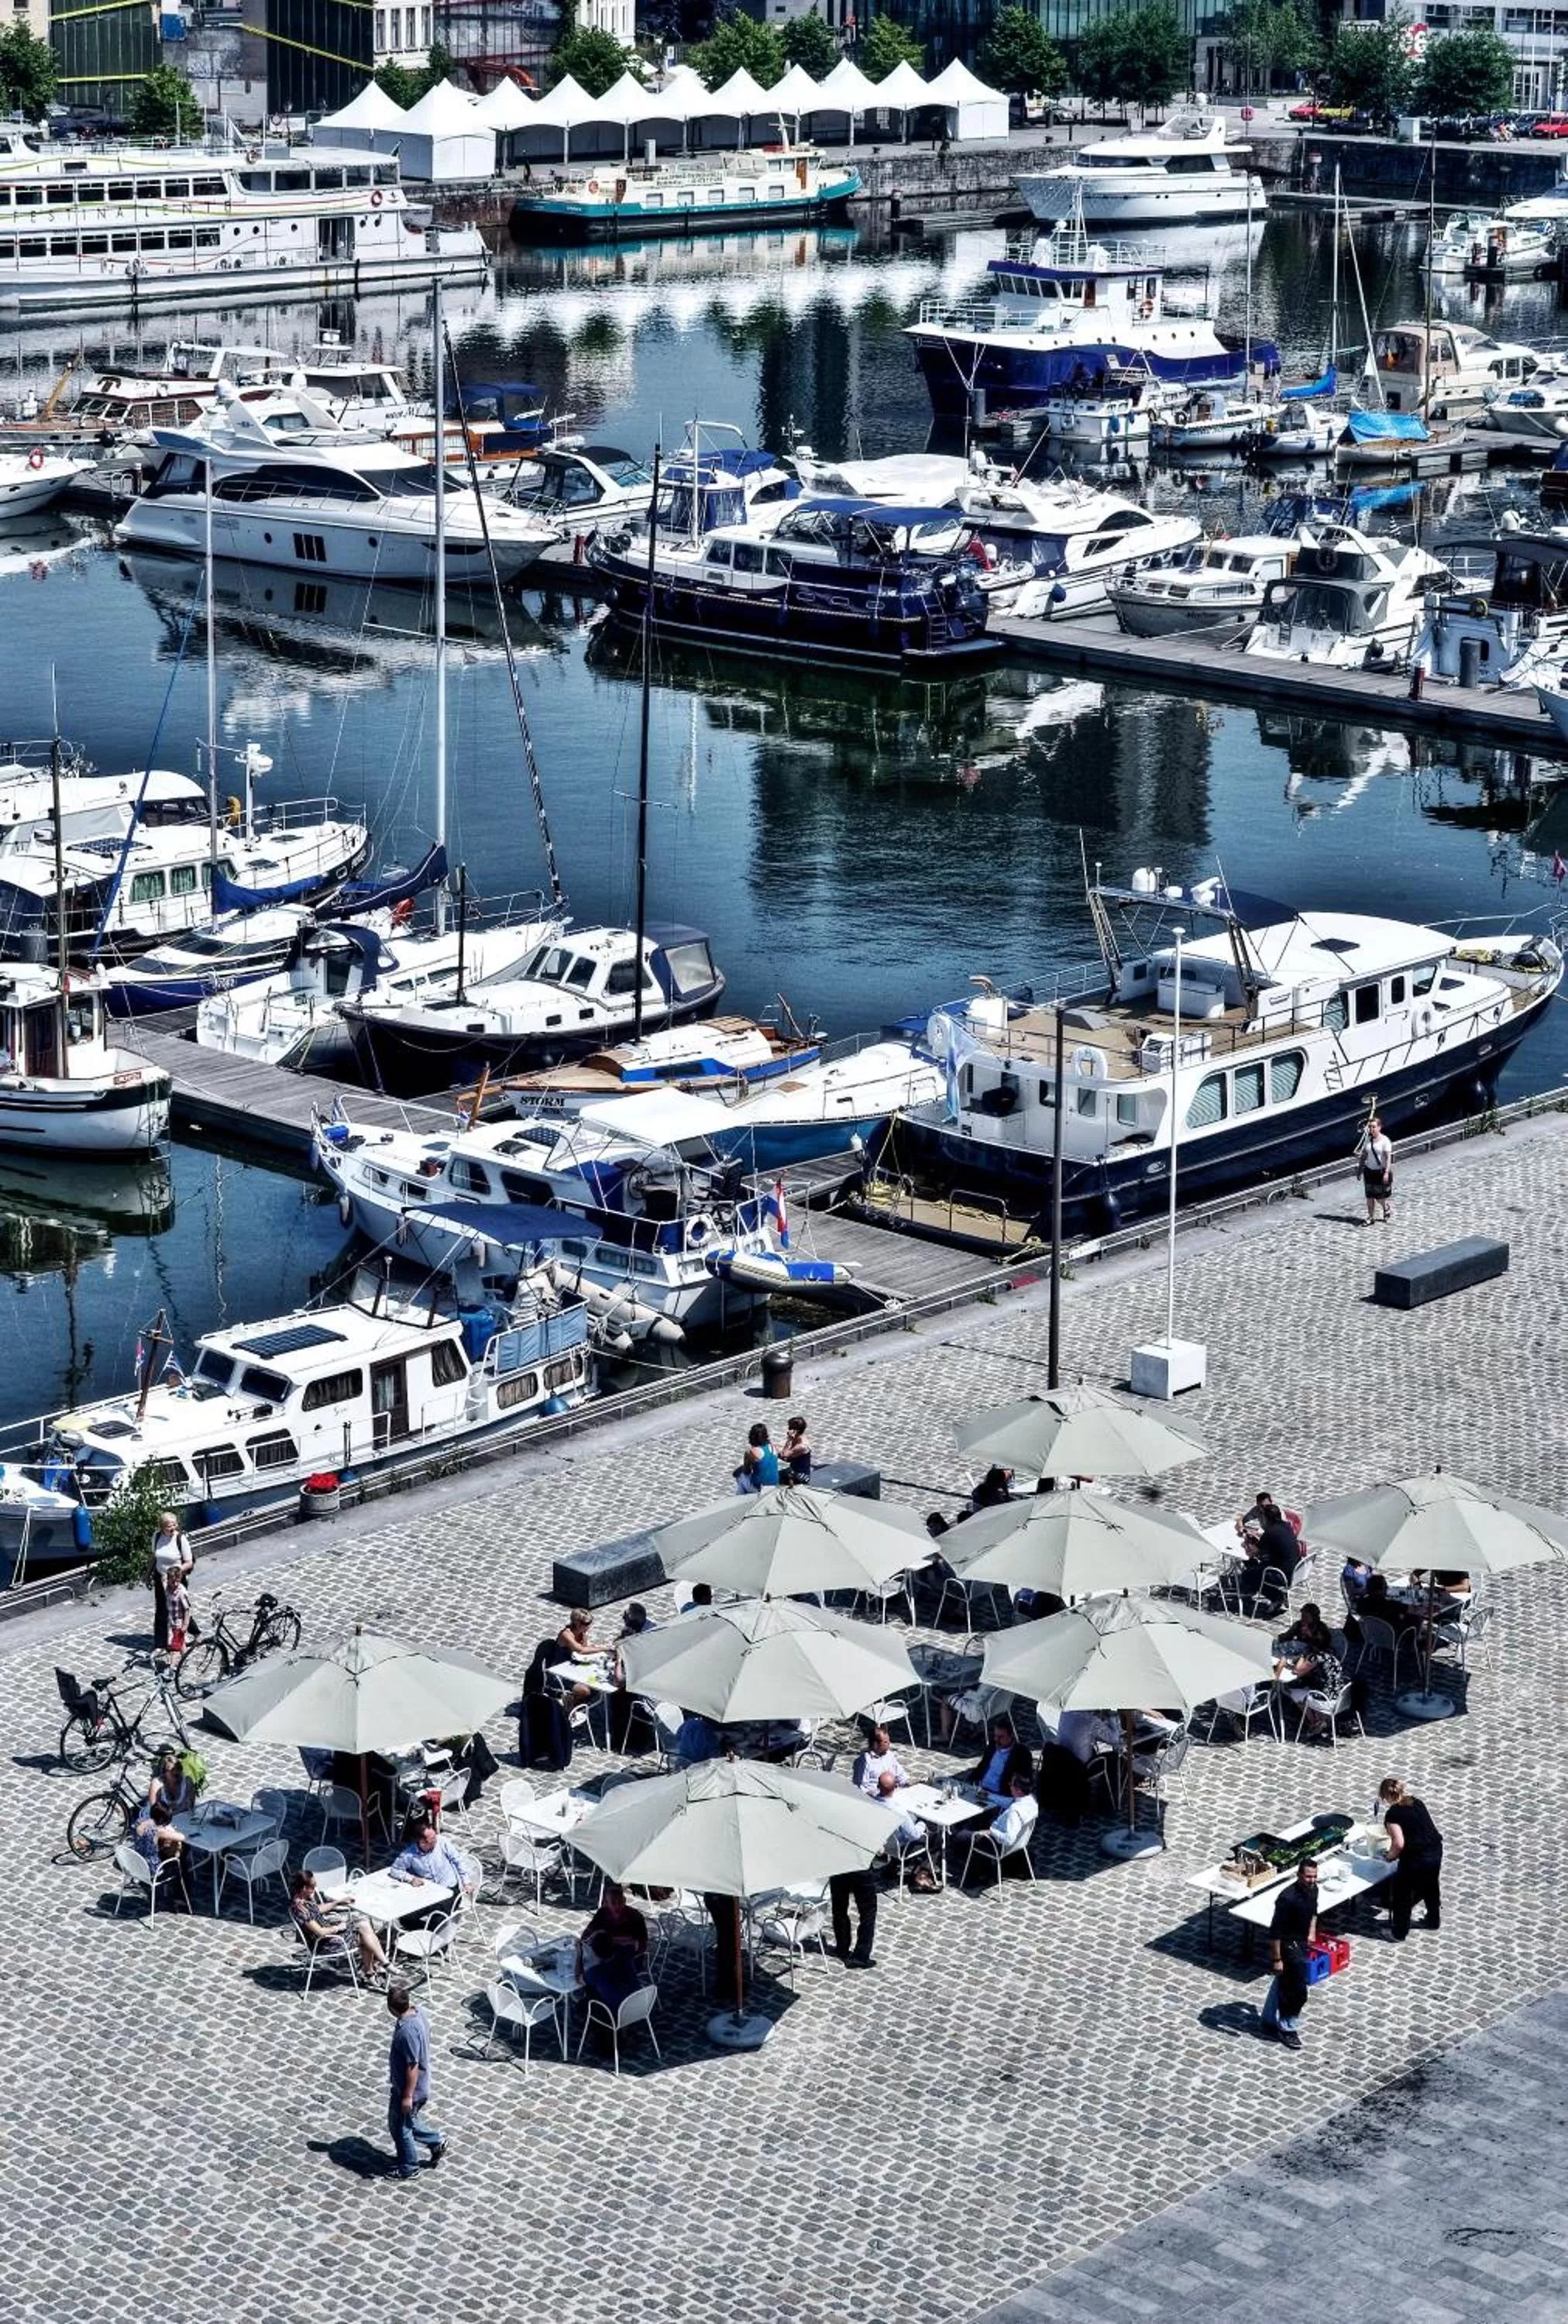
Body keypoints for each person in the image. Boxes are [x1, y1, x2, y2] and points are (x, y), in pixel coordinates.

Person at [288, 1868, 390, 1982]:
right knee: (365, 1932)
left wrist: (338, 1902)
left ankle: (373, 1971)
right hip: (327, 1944)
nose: (315, 1888)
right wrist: (338, 1928)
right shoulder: (302, 1910)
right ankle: (381, 1965)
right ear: (304, 1888)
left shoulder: (302, 1901)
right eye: (313, 1886)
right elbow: (320, 1932)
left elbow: (318, 1909)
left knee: (364, 1928)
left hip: (328, 1937)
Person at [387, 1984, 445, 2179]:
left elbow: (412, 2066)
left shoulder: (407, 2032)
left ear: (391, 2008)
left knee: (401, 2128)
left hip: (410, 2089)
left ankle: (409, 2167)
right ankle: (436, 2141)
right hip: (415, 2086)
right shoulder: (419, 2013)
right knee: (407, 2121)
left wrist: (407, 2096)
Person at [1260, 1860, 1319, 2050]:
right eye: (1308, 1876)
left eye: (1314, 1876)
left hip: (1301, 1941)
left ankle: (1268, 2019)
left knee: (1283, 1982)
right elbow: (1276, 1932)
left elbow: (1314, 1912)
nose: (1312, 1880)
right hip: (1288, 1944)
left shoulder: (1313, 1889)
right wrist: (1277, 1959)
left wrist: (1311, 1931)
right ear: (1299, 1875)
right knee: (1297, 1990)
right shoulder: (1287, 1899)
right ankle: (1287, 2027)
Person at [1380, 1778, 1442, 1938]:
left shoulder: (1393, 1814)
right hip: (1435, 1849)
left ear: (1386, 1796)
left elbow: (1399, 1844)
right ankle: (1433, 1920)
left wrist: (1389, 1857)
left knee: (1403, 1893)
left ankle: (1399, 1933)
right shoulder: (1417, 1802)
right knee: (1431, 1886)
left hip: (1416, 1857)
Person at [576, 1882, 649, 2016]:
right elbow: (586, 1936)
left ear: (625, 1901)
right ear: (605, 1903)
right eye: (613, 1903)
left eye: (620, 1902)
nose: (617, 1906)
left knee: (596, 1979)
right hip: (609, 1957)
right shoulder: (602, 1913)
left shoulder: (636, 1917)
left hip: (629, 1959)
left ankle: (600, 2003)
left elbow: (642, 1946)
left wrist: (617, 1942)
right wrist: (619, 1940)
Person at [952, 1774, 1038, 1886]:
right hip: (1020, 1843)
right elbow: (1008, 1801)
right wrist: (989, 1796)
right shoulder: (1031, 1802)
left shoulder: (1015, 1812)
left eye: (1011, 1785)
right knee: (977, 1825)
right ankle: (980, 1865)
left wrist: (991, 1832)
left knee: (958, 1836)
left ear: (1019, 1790)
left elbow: (1008, 1839)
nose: (1010, 1786)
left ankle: (977, 1870)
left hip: (996, 1845)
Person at [1275, 1605, 1344, 1739]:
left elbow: (1297, 1670)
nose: (1303, 1621)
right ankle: (1316, 1719)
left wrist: (1302, 1656)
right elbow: (1285, 1637)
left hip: (1326, 1699)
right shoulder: (1329, 1654)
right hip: (1340, 1696)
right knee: (1305, 1684)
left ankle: (1314, 1723)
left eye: (1306, 1617)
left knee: (1294, 1693)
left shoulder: (1315, 1656)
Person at [390, 1820, 478, 1900]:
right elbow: (395, 1870)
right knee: (409, 1915)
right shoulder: (409, 1854)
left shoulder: (442, 1842)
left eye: (434, 1835)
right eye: (432, 1839)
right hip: (429, 1893)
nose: (436, 1839)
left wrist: (466, 1882)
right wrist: (411, 1879)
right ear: (422, 1842)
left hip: (449, 1889)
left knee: (439, 1916)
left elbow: (458, 1861)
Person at [132, 1800, 192, 1906]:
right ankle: (180, 1896)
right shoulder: (159, 1831)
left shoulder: (139, 1822)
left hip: (138, 1864)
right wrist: (171, 1829)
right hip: (152, 1869)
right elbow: (183, 1837)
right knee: (182, 1859)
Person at [150, 1511, 192, 1653]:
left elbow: (189, 1562)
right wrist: (147, 1573)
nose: (172, 1528)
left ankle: (192, 1634)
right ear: (162, 1527)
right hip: (160, 1578)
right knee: (161, 1611)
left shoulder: (181, 1539)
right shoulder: (157, 1537)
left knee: (180, 1611)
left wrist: (175, 1573)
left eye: (174, 1524)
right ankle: (160, 1644)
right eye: (169, 1526)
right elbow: (154, 1557)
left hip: (176, 1580)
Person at [965, 1717, 1034, 1804]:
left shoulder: (1021, 1754)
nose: (997, 1740)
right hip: (981, 1790)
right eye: (995, 1736)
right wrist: (969, 1782)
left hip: (1000, 1796)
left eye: (1001, 1737)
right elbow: (981, 1766)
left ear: (1011, 1736)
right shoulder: (992, 1747)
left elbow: (1024, 1781)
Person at [827, 1862, 879, 1967]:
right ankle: (861, 1955)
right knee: (868, 1913)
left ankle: (842, 1947)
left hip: (838, 1867)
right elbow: (880, 1851)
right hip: (862, 1869)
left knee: (839, 1908)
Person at [1354, 1112, 1394, 1224]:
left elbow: (1388, 1158)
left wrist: (1386, 1172)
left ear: (1379, 1127)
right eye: (1370, 1127)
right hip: (1369, 1171)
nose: (1371, 1129)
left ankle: (1385, 1207)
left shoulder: (1385, 1141)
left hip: (1380, 1172)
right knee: (1369, 1196)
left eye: (1374, 1127)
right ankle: (1371, 1218)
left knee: (1380, 1197)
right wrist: (1360, 1170)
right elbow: (1364, 1156)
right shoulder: (1368, 1140)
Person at [146, 1747, 194, 1820]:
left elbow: (191, 1806)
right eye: (172, 1771)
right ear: (165, 1772)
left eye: (178, 1769)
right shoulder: (157, 1784)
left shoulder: (188, 1782)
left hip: (182, 1819)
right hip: (161, 1819)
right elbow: (153, 1810)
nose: (176, 1773)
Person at [734, 1423, 779, 1496]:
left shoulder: (751, 1452)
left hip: (759, 1488)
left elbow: (747, 1471)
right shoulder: (773, 1448)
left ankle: (740, 1498)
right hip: (774, 1486)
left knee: (740, 1476)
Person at [782, 1415, 813, 1483]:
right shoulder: (798, 1438)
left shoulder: (801, 1445)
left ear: (795, 1431)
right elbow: (788, 1458)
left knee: (773, 1478)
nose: (788, 1430)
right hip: (794, 1470)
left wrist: (789, 1440)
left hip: (801, 1476)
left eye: (790, 1428)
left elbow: (784, 1455)